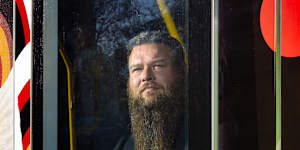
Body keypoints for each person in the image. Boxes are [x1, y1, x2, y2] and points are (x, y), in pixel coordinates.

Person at [114, 31, 187, 150]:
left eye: (158, 66)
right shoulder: (124, 145)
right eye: (137, 69)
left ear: (181, 72)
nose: (146, 76)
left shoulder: (208, 134)